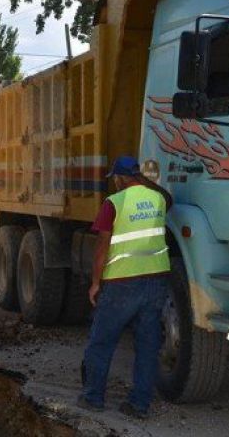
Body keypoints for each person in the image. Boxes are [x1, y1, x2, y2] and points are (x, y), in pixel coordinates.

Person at [78, 155, 172, 419]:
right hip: (155, 280)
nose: (114, 182)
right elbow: (169, 198)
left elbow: (102, 247)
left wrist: (95, 283)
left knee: (102, 340)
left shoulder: (114, 203)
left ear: (119, 178)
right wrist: (144, 180)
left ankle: (93, 397)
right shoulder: (159, 199)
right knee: (148, 345)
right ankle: (139, 404)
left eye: (115, 178)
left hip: (122, 283)